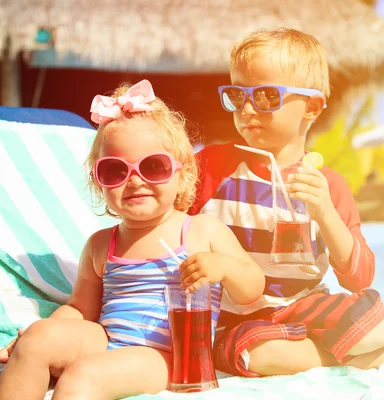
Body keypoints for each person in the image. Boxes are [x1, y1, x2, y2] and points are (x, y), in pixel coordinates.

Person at [187, 28, 384, 378]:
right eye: (236, 95)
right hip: (235, 319)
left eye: (267, 96)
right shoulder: (211, 167)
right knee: (255, 355)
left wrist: (326, 214)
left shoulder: (328, 185)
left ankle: (379, 346)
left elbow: (359, 279)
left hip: (305, 310)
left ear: (313, 106)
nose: (246, 108)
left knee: (383, 323)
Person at [0, 79, 264, 399]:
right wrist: (40, 333)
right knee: (38, 340)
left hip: (168, 356)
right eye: (115, 171)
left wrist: (223, 266)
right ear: (99, 184)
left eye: (154, 166)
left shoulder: (201, 231)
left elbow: (252, 289)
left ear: (184, 175)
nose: (135, 181)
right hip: (107, 339)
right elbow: (80, 309)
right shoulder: (101, 245)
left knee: (84, 375)